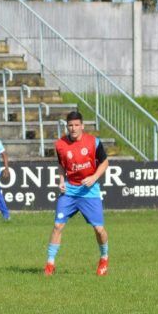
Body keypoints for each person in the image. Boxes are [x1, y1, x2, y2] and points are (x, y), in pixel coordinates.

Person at [44, 111, 109, 276]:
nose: (73, 129)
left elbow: (105, 162)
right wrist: (60, 180)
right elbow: (61, 165)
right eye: (70, 125)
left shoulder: (93, 142)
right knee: (58, 226)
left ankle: (104, 258)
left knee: (99, 229)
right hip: (70, 190)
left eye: (76, 125)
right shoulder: (60, 144)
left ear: (82, 126)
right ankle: (50, 264)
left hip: (89, 191)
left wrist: (94, 177)